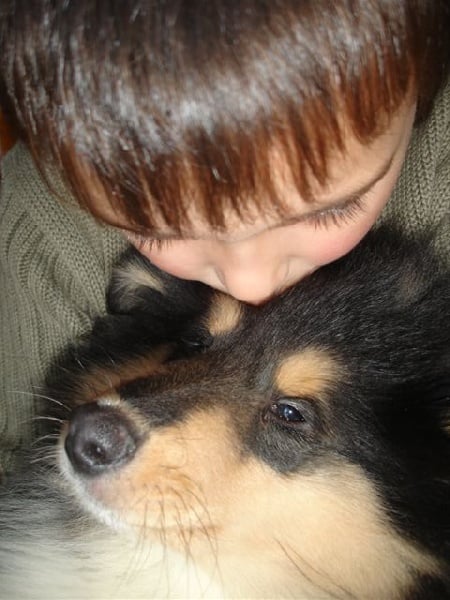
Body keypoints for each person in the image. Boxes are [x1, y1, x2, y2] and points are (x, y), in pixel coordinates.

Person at [0, 0, 449, 477]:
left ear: (422, 88)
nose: (250, 283)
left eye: (329, 209)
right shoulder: (39, 231)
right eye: (158, 226)